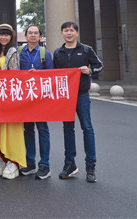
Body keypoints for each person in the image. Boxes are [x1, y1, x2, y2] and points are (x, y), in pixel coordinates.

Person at [54, 21, 103, 183]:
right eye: (66, 30)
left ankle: (90, 166)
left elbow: (99, 65)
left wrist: (90, 70)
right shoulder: (58, 52)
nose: (69, 33)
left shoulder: (86, 50)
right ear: (62, 33)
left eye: (71, 30)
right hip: (65, 97)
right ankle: (70, 164)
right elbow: (53, 73)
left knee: (87, 128)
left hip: (82, 95)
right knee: (68, 129)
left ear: (77, 33)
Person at [0, 23, 26, 180]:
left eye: (6, 34)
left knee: (12, 129)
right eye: (1, 34)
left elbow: (15, 75)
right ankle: (4, 158)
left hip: (9, 96)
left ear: (11, 37)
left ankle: (14, 161)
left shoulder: (13, 52)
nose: (3, 37)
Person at [18, 25, 54, 180]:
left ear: (40, 37)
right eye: (30, 33)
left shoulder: (45, 54)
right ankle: (30, 162)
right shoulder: (20, 52)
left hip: (41, 99)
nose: (33, 35)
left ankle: (45, 164)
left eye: (36, 33)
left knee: (42, 130)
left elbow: (51, 76)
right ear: (26, 36)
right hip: (25, 99)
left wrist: (38, 74)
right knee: (28, 130)